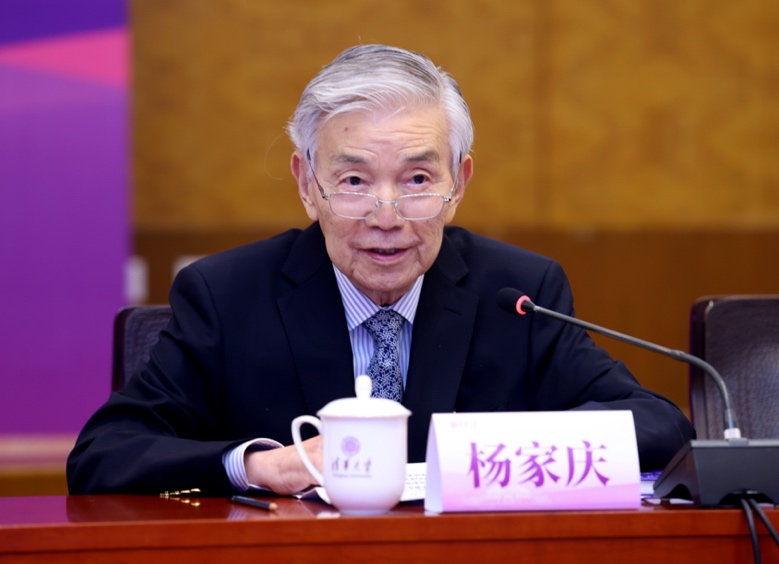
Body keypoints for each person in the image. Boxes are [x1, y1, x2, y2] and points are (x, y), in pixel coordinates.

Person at [67, 44, 694, 496]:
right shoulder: (227, 296)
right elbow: (104, 454)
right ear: (307, 185)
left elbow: (660, 427)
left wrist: (497, 452)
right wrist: (260, 466)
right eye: (354, 181)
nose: (386, 216)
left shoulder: (518, 293)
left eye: (418, 179)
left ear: (458, 183)